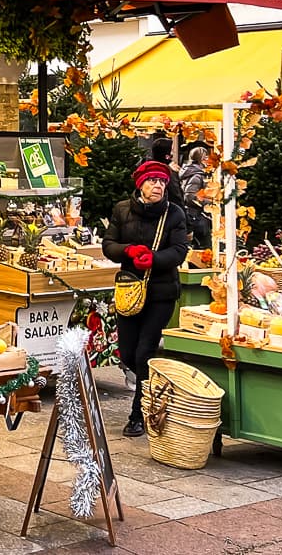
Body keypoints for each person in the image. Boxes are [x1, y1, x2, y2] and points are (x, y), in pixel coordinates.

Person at [103, 159, 189, 437]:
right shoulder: (122, 209)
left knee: (144, 352)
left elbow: (179, 251)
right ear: (141, 184)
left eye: (162, 182)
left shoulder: (174, 214)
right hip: (130, 292)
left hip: (161, 292)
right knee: (128, 352)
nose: (158, 186)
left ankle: (139, 414)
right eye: (153, 181)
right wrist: (128, 251)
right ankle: (156, 385)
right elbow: (108, 245)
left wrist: (154, 258)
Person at [180, 146, 212, 250]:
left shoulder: (191, 172)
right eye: (206, 157)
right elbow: (190, 195)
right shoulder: (197, 175)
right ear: (202, 159)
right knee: (202, 247)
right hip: (195, 215)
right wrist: (210, 202)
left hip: (192, 215)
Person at [150, 137, 184, 209]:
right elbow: (176, 196)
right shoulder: (167, 172)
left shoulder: (148, 168)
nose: (173, 153)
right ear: (166, 155)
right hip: (170, 212)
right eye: (171, 150)